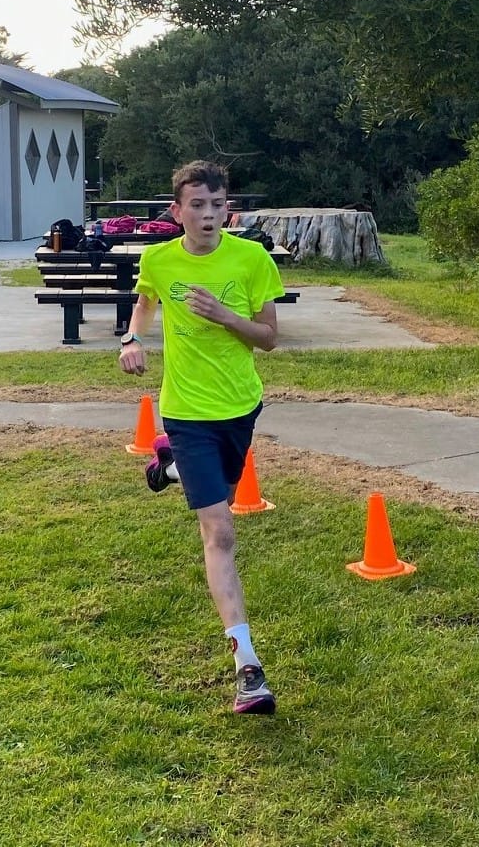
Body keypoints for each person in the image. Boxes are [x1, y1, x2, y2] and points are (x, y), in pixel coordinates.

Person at [118, 160, 284, 715]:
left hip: (240, 407)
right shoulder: (159, 259)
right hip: (185, 410)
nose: (209, 214)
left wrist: (223, 316)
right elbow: (144, 301)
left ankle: (167, 469)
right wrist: (131, 339)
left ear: (227, 207)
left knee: (217, 490)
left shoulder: (251, 259)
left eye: (218, 204)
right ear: (177, 210)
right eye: (198, 205)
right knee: (221, 532)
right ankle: (247, 667)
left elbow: (269, 340)